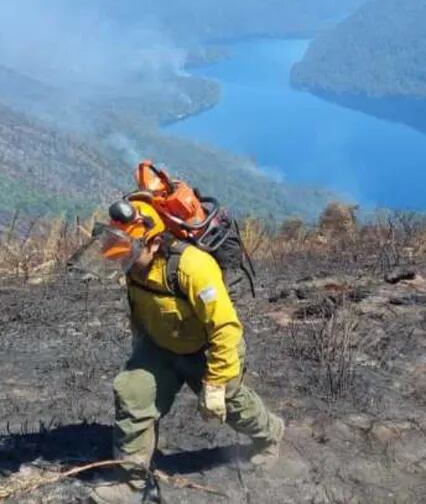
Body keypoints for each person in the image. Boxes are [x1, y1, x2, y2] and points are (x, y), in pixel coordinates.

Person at [90, 200, 285, 504]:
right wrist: (140, 352)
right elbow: (139, 310)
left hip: (208, 349)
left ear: (154, 244)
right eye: (117, 242)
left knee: (232, 406)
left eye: (127, 246)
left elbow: (225, 328)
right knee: (132, 393)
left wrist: (217, 383)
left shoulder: (192, 266)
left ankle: (270, 436)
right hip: (160, 346)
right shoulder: (134, 264)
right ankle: (132, 482)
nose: (119, 254)